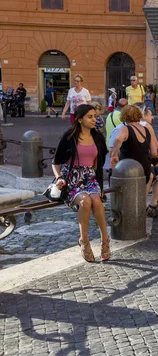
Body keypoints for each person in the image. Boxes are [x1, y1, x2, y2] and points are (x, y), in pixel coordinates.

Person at [52, 104, 110, 262]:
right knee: (85, 202)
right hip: (72, 178)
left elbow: (99, 164)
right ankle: (84, 241)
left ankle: (105, 239)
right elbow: (55, 162)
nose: (94, 119)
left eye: (95, 116)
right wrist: (59, 178)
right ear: (79, 120)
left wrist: (101, 187)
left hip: (90, 177)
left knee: (96, 201)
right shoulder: (69, 137)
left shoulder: (98, 137)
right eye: (90, 117)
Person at [109, 105, 158, 218]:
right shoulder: (146, 130)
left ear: (124, 116)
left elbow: (118, 139)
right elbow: (153, 153)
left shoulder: (125, 129)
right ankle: (148, 206)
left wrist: (114, 155)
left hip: (128, 169)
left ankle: (145, 207)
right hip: (145, 168)